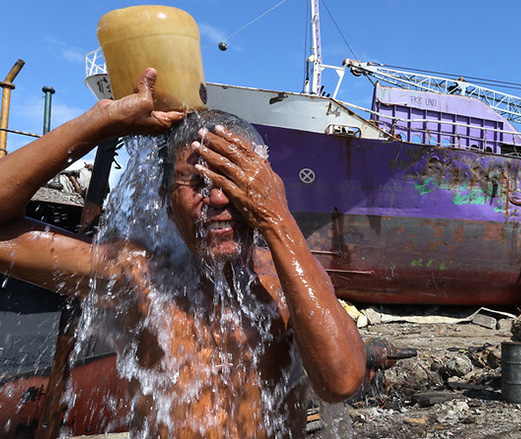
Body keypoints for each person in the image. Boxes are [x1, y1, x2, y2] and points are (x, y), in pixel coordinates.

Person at [0, 68, 366, 438]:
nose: (219, 199)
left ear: (264, 187)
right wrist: (100, 123)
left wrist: (277, 218)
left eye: (235, 180)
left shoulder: (288, 279)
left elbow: (341, 381)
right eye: (197, 182)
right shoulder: (140, 278)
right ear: (165, 199)